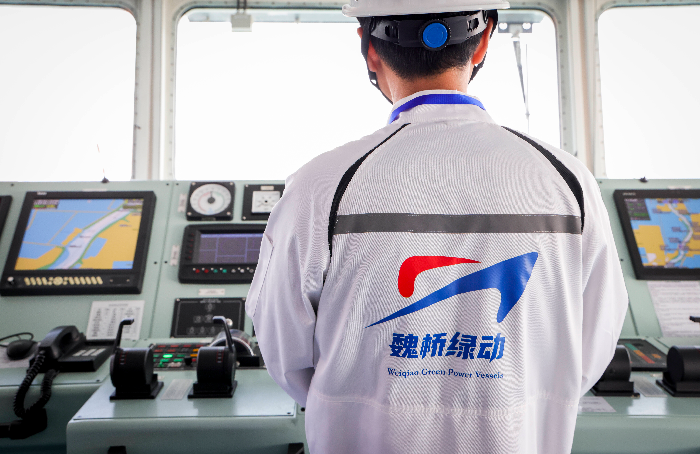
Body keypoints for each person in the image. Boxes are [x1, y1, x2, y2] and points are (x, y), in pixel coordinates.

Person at [246, 0, 628, 452]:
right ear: (483, 41)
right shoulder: (568, 183)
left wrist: (356, 401)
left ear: (369, 48)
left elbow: (284, 354)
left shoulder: (321, 186)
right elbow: (591, 348)